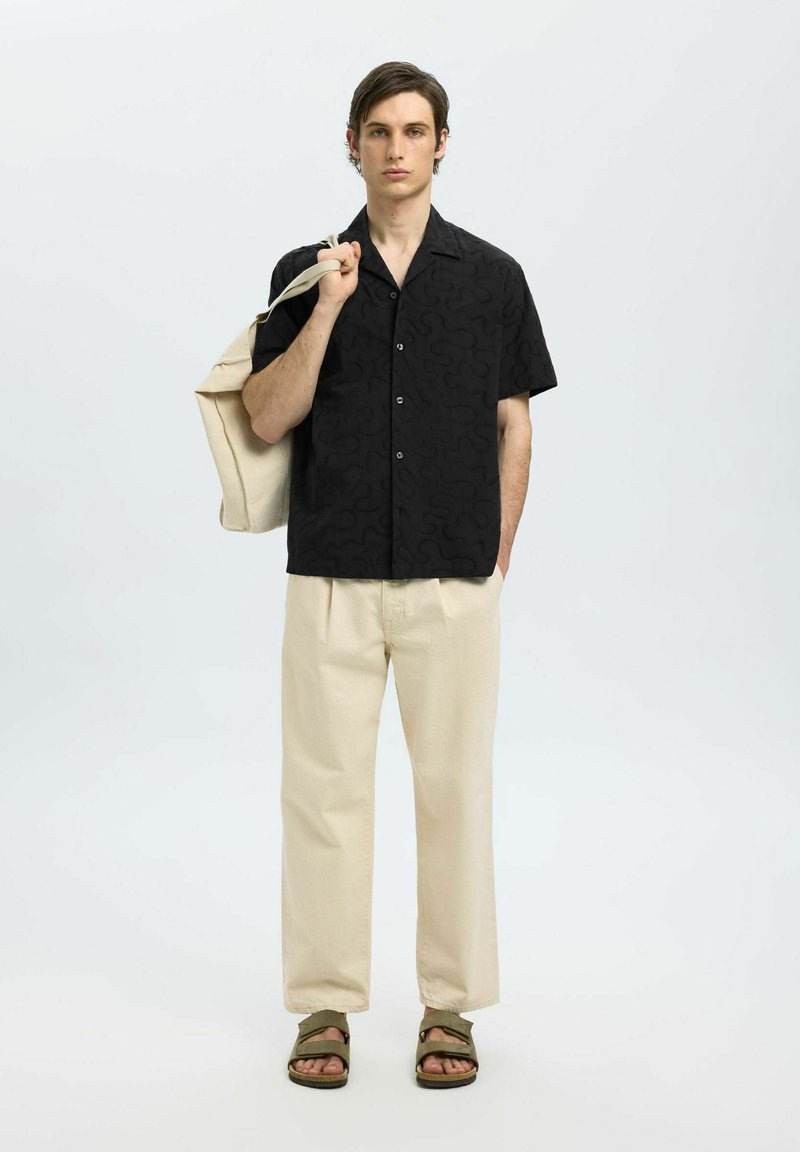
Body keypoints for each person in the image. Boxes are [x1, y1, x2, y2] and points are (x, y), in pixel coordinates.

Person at [241, 60, 558, 1089]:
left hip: (451, 580)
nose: (395, 148)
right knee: (322, 795)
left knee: (454, 792)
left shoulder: (493, 278)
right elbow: (266, 416)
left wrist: (493, 558)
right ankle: (323, 1006)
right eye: (377, 130)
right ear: (351, 144)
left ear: (440, 145)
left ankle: (449, 1006)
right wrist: (328, 309)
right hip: (330, 572)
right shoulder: (304, 271)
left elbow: (514, 425)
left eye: (414, 130)